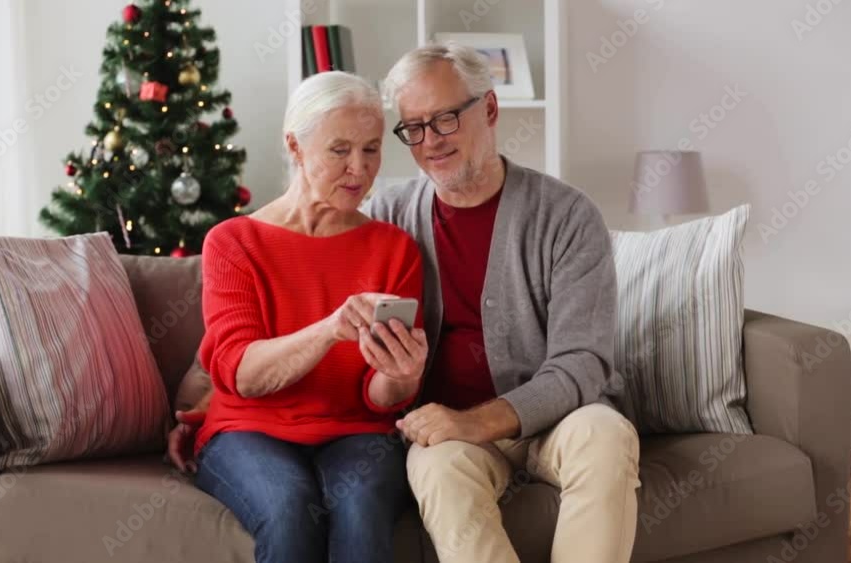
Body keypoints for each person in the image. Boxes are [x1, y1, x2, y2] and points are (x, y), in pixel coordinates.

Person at [172, 44, 640, 563]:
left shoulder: (565, 217)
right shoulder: (391, 216)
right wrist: (204, 399)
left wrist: (474, 419)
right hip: (446, 433)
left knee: (604, 435)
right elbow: (253, 342)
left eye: (444, 120)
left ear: (488, 110)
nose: (429, 142)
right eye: (413, 127)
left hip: (551, 422)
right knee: (433, 471)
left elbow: (583, 363)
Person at [189, 70, 429, 563]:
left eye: (371, 148)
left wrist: (401, 376)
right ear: (295, 147)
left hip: (359, 431)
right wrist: (326, 331)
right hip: (246, 430)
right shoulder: (234, 243)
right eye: (339, 150)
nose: (359, 169)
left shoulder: (394, 249)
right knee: (288, 506)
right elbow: (242, 375)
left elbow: (380, 399)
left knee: (360, 508)